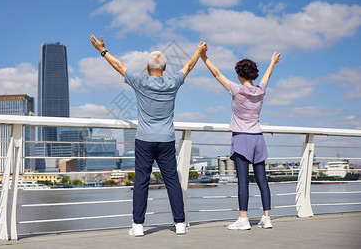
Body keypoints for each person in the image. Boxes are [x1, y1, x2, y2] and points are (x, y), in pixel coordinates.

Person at [90, 34, 207, 236]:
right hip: (167, 140)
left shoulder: (140, 81)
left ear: (147, 67)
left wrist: (102, 50)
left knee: (141, 181)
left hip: (144, 140)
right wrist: (198, 52)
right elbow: (187, 66)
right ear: (164, 68)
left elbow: (118, 66)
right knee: (172, 181)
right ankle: (180, 224)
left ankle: (138, 226)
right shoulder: (172, 82)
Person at [200, 48, 281, 230]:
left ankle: (243, 220)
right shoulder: (261, 90)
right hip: (258, 139)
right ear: (253, 74)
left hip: (242, 138)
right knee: (262, 180)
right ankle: (266, 218)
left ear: (239, 75)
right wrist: (272, 62)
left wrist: (204, 57)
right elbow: (267, 77)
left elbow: (216, 74)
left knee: (243, 180)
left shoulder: (237, 89)